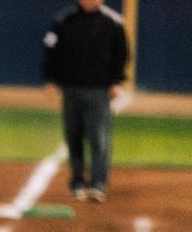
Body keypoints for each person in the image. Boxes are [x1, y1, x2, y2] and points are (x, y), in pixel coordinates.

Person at [41, 0, 129, 202]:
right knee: (73, 137)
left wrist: (116, 81)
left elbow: (121, 54)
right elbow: (51, 51)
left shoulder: (113, 22)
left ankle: (98, 183)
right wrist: (50, 80)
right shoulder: (64, 20)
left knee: (99, 138)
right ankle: (77, 181)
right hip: (71, 89)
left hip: (99, 90)